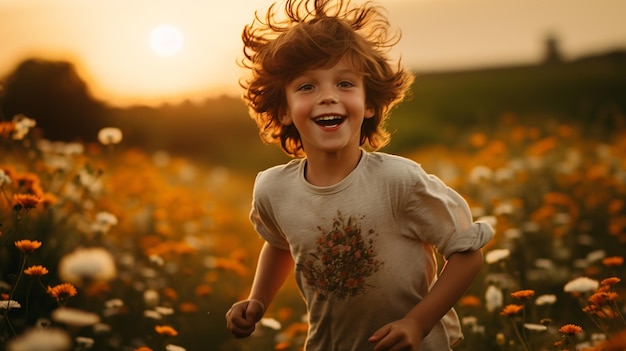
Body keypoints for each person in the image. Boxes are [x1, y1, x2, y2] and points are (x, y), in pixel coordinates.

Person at [225, 0, 494, 350]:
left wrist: (417, 322)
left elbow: (466, 254)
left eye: (345, 84)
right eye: (307, 87)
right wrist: (258, 301)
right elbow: (279, 243)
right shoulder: (273, 189)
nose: (327, 97)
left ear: (368, 104)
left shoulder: (400, 181)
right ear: (284, 110)